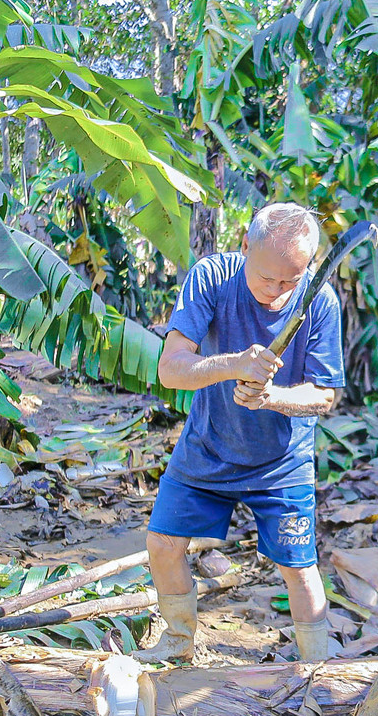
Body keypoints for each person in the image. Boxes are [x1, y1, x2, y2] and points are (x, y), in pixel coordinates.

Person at [135, 202, 344, 664]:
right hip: (208, 445)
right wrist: (234, 365)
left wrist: (271, 398)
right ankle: (179, 642)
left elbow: (325, 396)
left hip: (282, 459)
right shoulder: (212, 278)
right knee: (163, 544)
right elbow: (170, 370)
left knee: (298, 566)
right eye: (267, 278)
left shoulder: (320, 301)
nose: (277, 291)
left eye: (291, 281)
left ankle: (318, 668)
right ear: (245, 246)